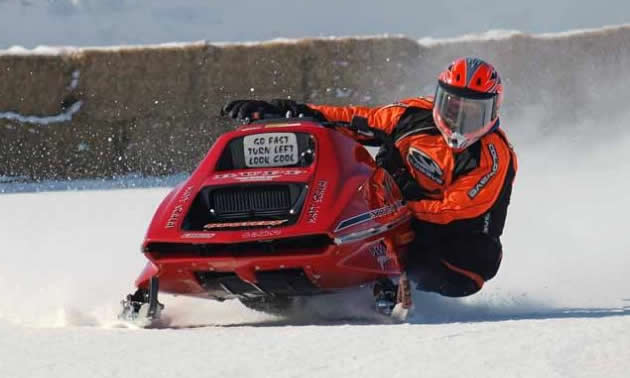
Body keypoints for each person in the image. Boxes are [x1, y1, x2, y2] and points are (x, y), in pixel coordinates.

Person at [221, 57, 518, 302]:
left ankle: (391, 285)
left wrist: (388, 210)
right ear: (440, 99)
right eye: (454, 106)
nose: (460, 120)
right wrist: (291, 111)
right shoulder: (412, 115)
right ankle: (277, 252)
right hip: (392, 219)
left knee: (448, 249)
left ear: (492, 111)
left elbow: (454, 210)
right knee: (354, 161)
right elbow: (354, 120)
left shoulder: (493, 156)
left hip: (456, 251)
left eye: (473, 112)